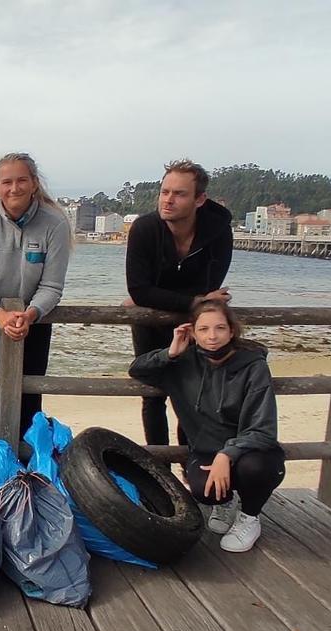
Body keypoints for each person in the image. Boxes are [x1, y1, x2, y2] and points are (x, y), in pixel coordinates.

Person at [129, 300, 284, 553]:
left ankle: (250, 516)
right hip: (205, 450)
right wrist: (169, 353)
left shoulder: (253, 366)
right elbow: (137, 370)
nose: (212, 336)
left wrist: (227, 454)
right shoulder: (181, 365)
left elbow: (264, 429)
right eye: (203, 329)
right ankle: (223, 502)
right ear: (192, 332)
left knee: (256, 468)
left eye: (220, 328)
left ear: (232, 331)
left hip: (251, 451)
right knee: (203, 491)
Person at [0, 153, 72, 439]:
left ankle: (25, 471)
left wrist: (31, 314)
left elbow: (52, 286)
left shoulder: (55, 223)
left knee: (31, 394)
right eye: (7, 182)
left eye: (22, 180)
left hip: (35, 318)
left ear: (34, 183)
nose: (14, 188)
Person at [125, 159, 234, 447]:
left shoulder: (219, 229)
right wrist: (194, 300)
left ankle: (192, 462)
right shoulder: (144, 229)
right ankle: (159, 468)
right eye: (164, 192)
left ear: (200, 199)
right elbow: (138, 290)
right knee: (153, 393)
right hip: (148, 321)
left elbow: (209, 290)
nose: (168, 200)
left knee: (193, 393)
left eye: (179, 194)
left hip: (195, 323)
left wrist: (161, 297)